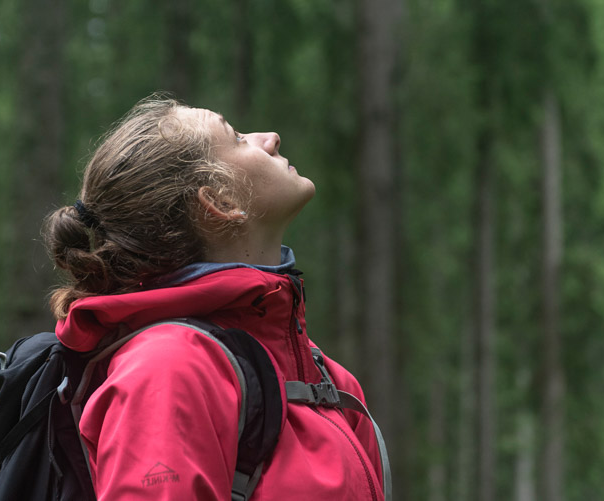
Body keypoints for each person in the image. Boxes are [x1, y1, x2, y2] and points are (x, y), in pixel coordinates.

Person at [42, 95, 385, 499]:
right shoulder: (167, 370)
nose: (271, 138)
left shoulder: (326, 375)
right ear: (219, 202)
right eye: (238, 139)